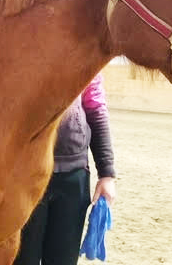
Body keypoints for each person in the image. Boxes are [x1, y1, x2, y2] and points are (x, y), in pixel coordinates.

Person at [14, 74, 116, 265]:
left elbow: (96, 109)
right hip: (25, 176)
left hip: (73, 176)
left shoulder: (87, 53)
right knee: (22, 260)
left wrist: (107, 174)